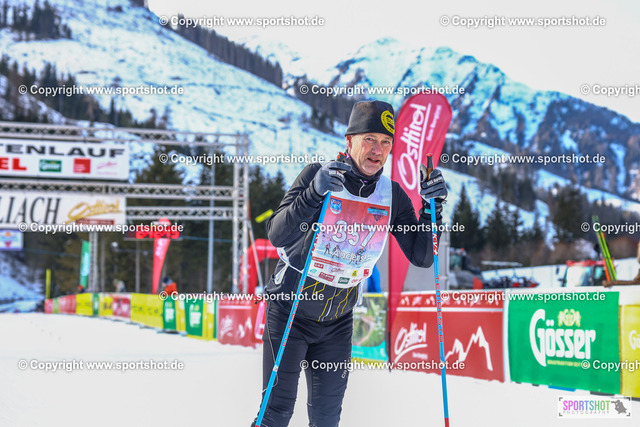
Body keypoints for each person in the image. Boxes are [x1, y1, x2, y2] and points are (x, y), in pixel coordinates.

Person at [252, 100, 448, 427]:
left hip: (337, 321)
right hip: (289, 313)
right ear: (350, 141)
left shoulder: (391, 195)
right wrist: (314, 193)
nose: (377, 150)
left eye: (385, 142)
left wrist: (432, 210)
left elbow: (423, 257)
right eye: (369, 139)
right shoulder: (319, 175)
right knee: (276, 412)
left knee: (327, 419)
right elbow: (277, 234)